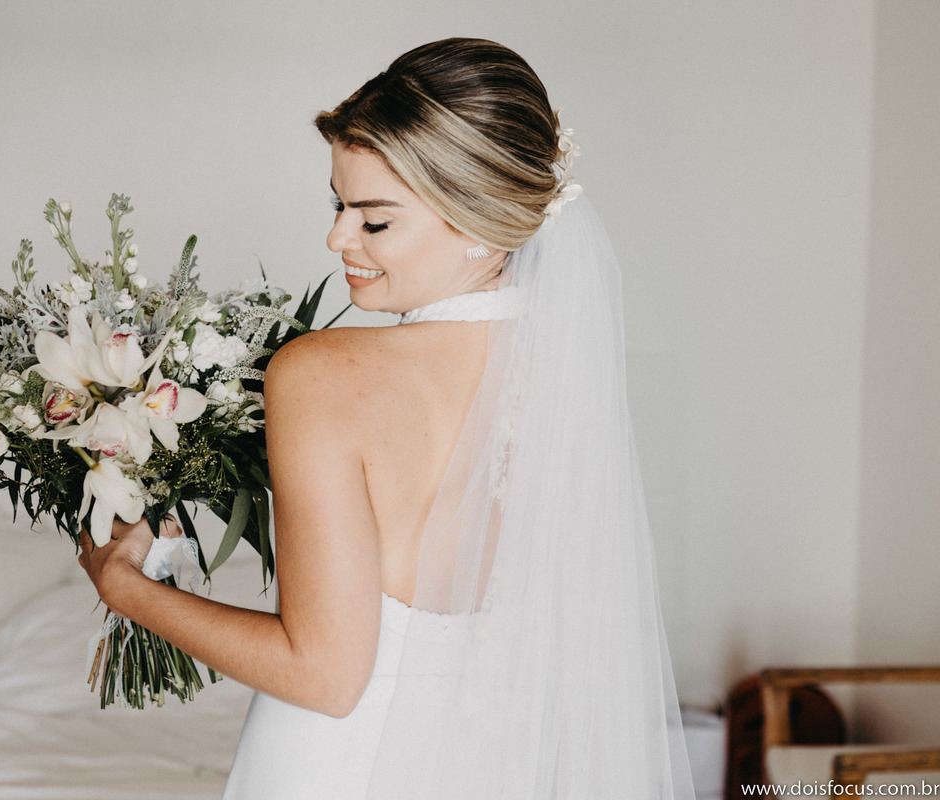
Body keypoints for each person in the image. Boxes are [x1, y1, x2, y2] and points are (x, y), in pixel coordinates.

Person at [79, 38, 695, 799]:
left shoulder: (321, 373)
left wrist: (125, 587)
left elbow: (324, 676)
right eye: (338, 206)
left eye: (374, 222)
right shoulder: (568, 368)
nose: (338, 239)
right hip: (503, 766)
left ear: (477, 220)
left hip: (342, 765)